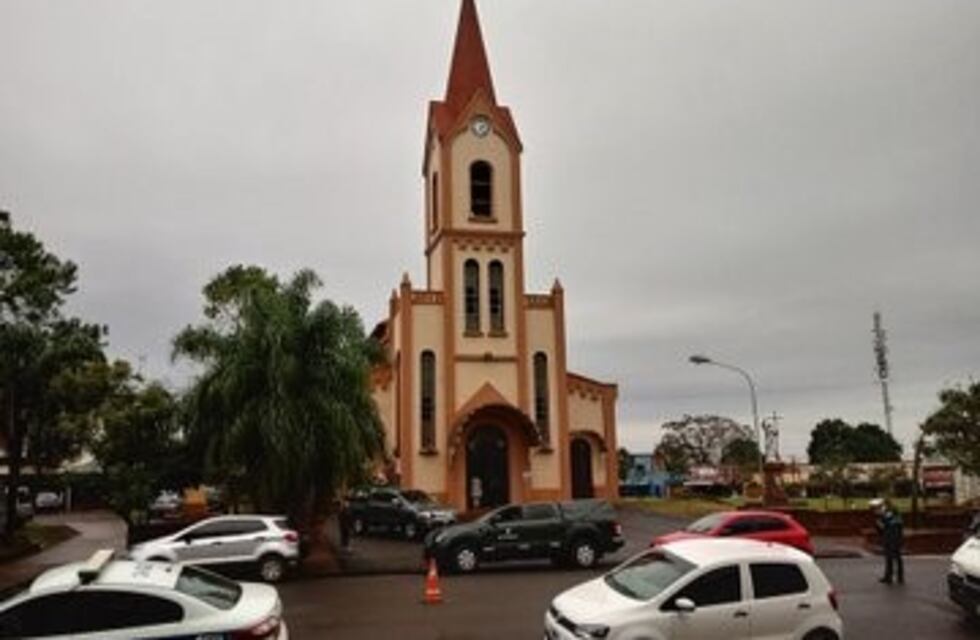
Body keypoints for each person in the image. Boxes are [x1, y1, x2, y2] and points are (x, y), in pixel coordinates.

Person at [872, 498, 904, 584]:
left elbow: (884, 523)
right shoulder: (894, 513)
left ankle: (890, 577)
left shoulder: (890, 512)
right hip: (894, 536)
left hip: (891, 537)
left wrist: (880, 519)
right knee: (895, 557)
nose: (883, 507)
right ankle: (898, 577)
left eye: (883, 505)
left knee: (891, 557)